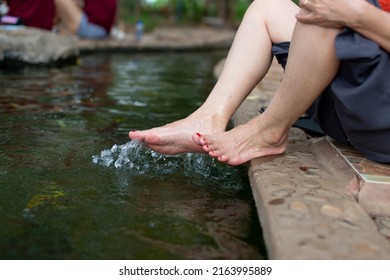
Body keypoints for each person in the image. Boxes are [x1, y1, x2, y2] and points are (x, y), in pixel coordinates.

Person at [129, 0, 390, 166]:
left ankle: (270, 131)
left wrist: (357, 13)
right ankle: (208, 117)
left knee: (325, 16)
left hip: (380, 119)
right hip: (357, 96)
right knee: (267, 8)